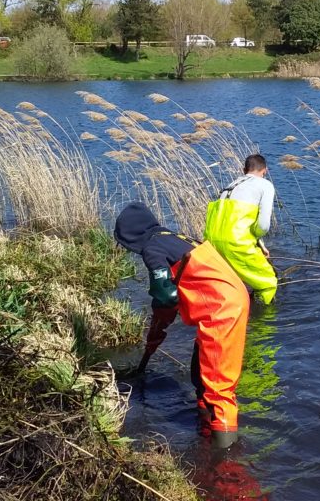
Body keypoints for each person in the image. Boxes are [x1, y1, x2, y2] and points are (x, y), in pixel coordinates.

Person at [114, 202, 250, 449]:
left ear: (130, 236)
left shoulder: (152, 248)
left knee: (219, 389)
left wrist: (160, 306)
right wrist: (158, 328)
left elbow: (167, 297)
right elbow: (170, 296)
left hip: (221, 310)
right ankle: (206, 433)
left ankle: (226, 465)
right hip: (230, 298)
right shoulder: (175, 238)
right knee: (199, 376)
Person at [204, 154, 278, 304]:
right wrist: (256, 237)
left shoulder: (230, 186)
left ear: (244, 170)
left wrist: (259, 244)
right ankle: (262, 324)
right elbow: (263, 225)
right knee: (268, 282)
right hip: (236, 243)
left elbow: (233, 222)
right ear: (265, 171)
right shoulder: (265, 185)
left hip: (211, 243)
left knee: (232, 281)